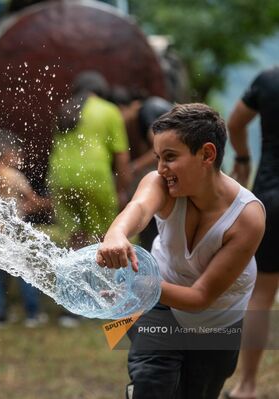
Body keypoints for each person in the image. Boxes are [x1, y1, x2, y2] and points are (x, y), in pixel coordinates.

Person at [96, 103, 266, 399]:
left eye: (171, 158)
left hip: (216, 325)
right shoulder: (161, 183)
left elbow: (200, 298)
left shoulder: (247, 217)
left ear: (207, 154)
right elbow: (137, 208)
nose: (161, 169)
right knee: (151, 384)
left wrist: (132, 284)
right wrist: (116, 234)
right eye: (158, 157)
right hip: (160, 303)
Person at [225, 66, 279, 399]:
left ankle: (246, 386)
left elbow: (234, 122)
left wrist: (242, 158)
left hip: (271, 197)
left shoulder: (269, 79)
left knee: (261, 295)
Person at [48, 71, 132, 250]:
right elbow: (122, 156)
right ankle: (106, 277)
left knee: (76, 240)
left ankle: (79, 277)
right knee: (107, 237)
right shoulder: (109, 110)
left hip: (60, 179)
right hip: (94, 178)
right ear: (101, 90)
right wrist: (121, 189)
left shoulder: (64, 109)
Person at [0, 131, 51, 329]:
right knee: (25, 272)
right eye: (17, 154)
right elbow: (33, 201)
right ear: (6, 154)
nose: (20, 158)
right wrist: (51, 203)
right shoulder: (14, 176)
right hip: (13, 232)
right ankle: (32, 313)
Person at [113, 89, 173, 250]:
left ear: (130, 106)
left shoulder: (146, 111)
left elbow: (159, 148)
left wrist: (133, 167)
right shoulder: (154, 109)